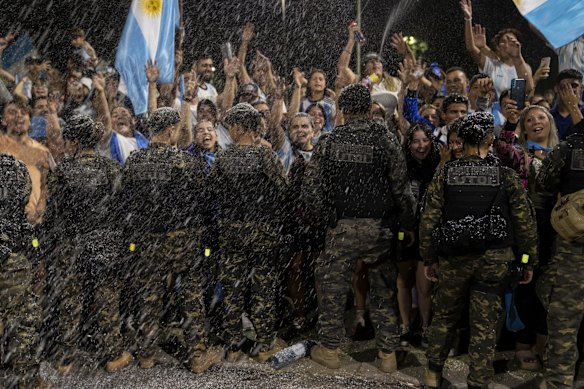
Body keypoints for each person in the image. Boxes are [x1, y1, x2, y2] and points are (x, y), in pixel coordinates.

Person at [302, 84, 416, 373]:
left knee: (333, 289)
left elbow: (310, 190)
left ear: (342, 110)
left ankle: (329, 349)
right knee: (383, 290)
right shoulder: (385, 140)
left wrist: (328, 216)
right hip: (379, 228)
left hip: (342, 226)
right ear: (368, 109)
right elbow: (402, 189)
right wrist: (403, 221)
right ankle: (387, 354)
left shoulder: (329, 141)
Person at [419, 112, 538, 388]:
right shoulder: (505, 176)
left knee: (445, 317)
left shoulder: (446, 172)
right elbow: (524, 223)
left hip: (453, 256)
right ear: (490, 139)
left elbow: (429, 218)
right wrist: (528, 260)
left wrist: (429, 257)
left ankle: (433, 374)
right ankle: (478, 380)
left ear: (462, 140)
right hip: (493, 259)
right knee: (485, 323)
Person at [120, 107, 221, 373]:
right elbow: (206, 202)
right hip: (184, 238)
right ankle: (197, 356)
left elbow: (125, 202)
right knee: (191, 297)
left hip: (146, 239)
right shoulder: (189, 163)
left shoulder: (134, 162)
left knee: (148, 297)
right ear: (170, 130)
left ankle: (147, 355)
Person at [43, 115, 132, 375]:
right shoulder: (111, 168)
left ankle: (65, 359)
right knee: (107, 299)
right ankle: (113, 354)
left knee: (71, 301)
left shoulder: (62, 171)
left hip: (71, 243)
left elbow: (53, 211)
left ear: (72, 141)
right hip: (104, 240)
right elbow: (121, 208)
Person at [208, 103, 289, 362]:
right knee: (262, 287)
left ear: (240, 127)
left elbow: (214, 191)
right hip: (262, 229)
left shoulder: (222, 157)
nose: (229, 130)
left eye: (231, 125)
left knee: (233, 288)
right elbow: (283, 189)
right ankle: (265, 345)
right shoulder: (265, 156)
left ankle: (232, 347)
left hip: (231, 229)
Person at [535, 118, 584, 389]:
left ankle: (558, 381)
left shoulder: (569, 147)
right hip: (572, 243)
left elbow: (543, 182)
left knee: (564, 316)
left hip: (573, 244)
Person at [0, 154, 49, 388]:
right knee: (23, 317)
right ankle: (27, 378)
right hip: (12, 253)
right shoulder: (14, 168)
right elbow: (21, 205)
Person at [397, 124, 441, 348]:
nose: (420, 145)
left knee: (425, 286)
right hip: (405, 231)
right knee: (403, 280)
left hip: (428, 234)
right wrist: (405, 226)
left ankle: (425, 327)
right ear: (409, 144)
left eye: (425, 140)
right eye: (415, 141)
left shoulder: (439, 166)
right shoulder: (402, 165)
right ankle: (405, 327)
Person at [549, 69, 583, 140]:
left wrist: (573, 107)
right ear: (556, 89)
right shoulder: (548, 116)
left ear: (581, 88)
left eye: (574, 86)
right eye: (564, 87)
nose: (569, 90)